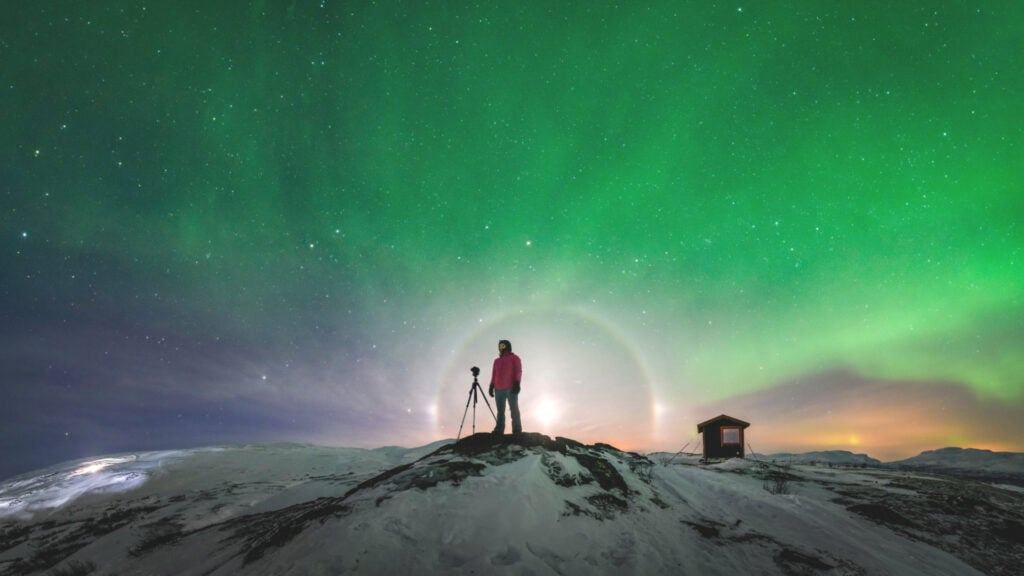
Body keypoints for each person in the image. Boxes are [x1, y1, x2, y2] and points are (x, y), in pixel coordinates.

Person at [488, 339, 522, 435]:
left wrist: (517, 382)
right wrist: (491, 385)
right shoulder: (496, 361)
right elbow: (494, 374)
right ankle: (499, 429)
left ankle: (517, 429)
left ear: (508, 346)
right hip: (498, 389)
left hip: (511, 388)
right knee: (500, 411)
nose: (501, 348)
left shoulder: (515, 358)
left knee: (514, 409)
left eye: (503, 345)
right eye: (499, 346)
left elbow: (518, 371)